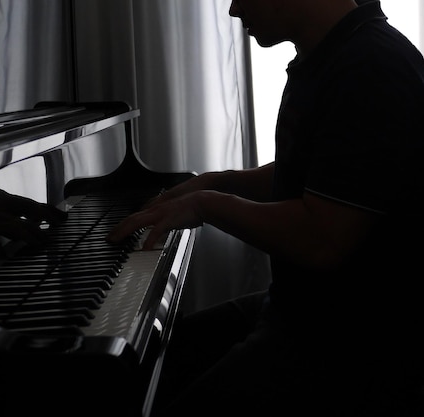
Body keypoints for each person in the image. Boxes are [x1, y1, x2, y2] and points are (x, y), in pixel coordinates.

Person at [107, 0, 424, 415]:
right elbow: (319, 175)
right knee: (146, 358)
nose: (235, 10)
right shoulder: (334, 53)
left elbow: (322, 238)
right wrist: (220, 181)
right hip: (302, 311)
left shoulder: (371, 66)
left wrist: (208, 205)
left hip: (352, 342)